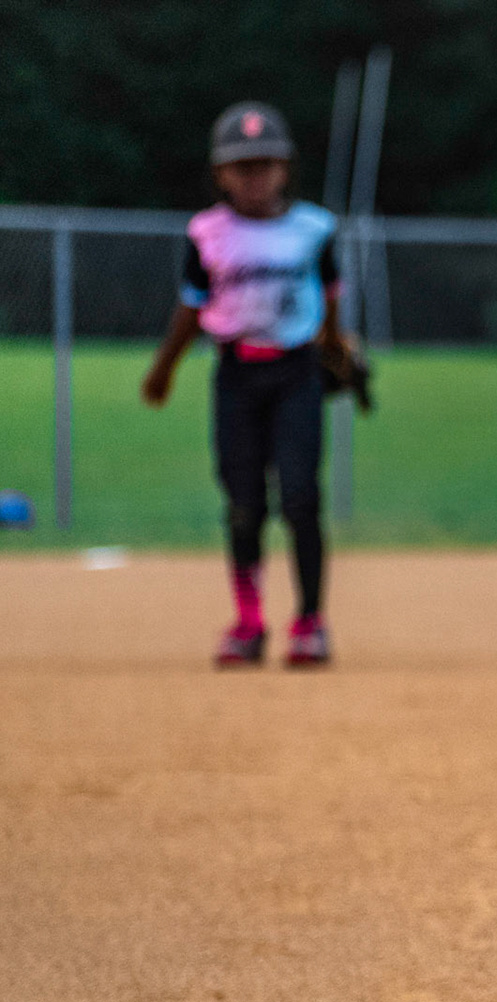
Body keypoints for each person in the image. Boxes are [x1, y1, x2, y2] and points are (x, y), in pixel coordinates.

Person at [142, 101, 353, 667]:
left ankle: (309, 621)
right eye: (242, 165)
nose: (254, 175)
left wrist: (333, 342)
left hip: (296, 372)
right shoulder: (207, 233)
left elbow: (330, 293)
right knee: (243, 504)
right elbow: (191, 308)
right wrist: (165, 368)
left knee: (303, 497)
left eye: (265, 163)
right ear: (220, 174)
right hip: (236, 374)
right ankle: (249, 622)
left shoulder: (314, 228)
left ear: (285, 167)